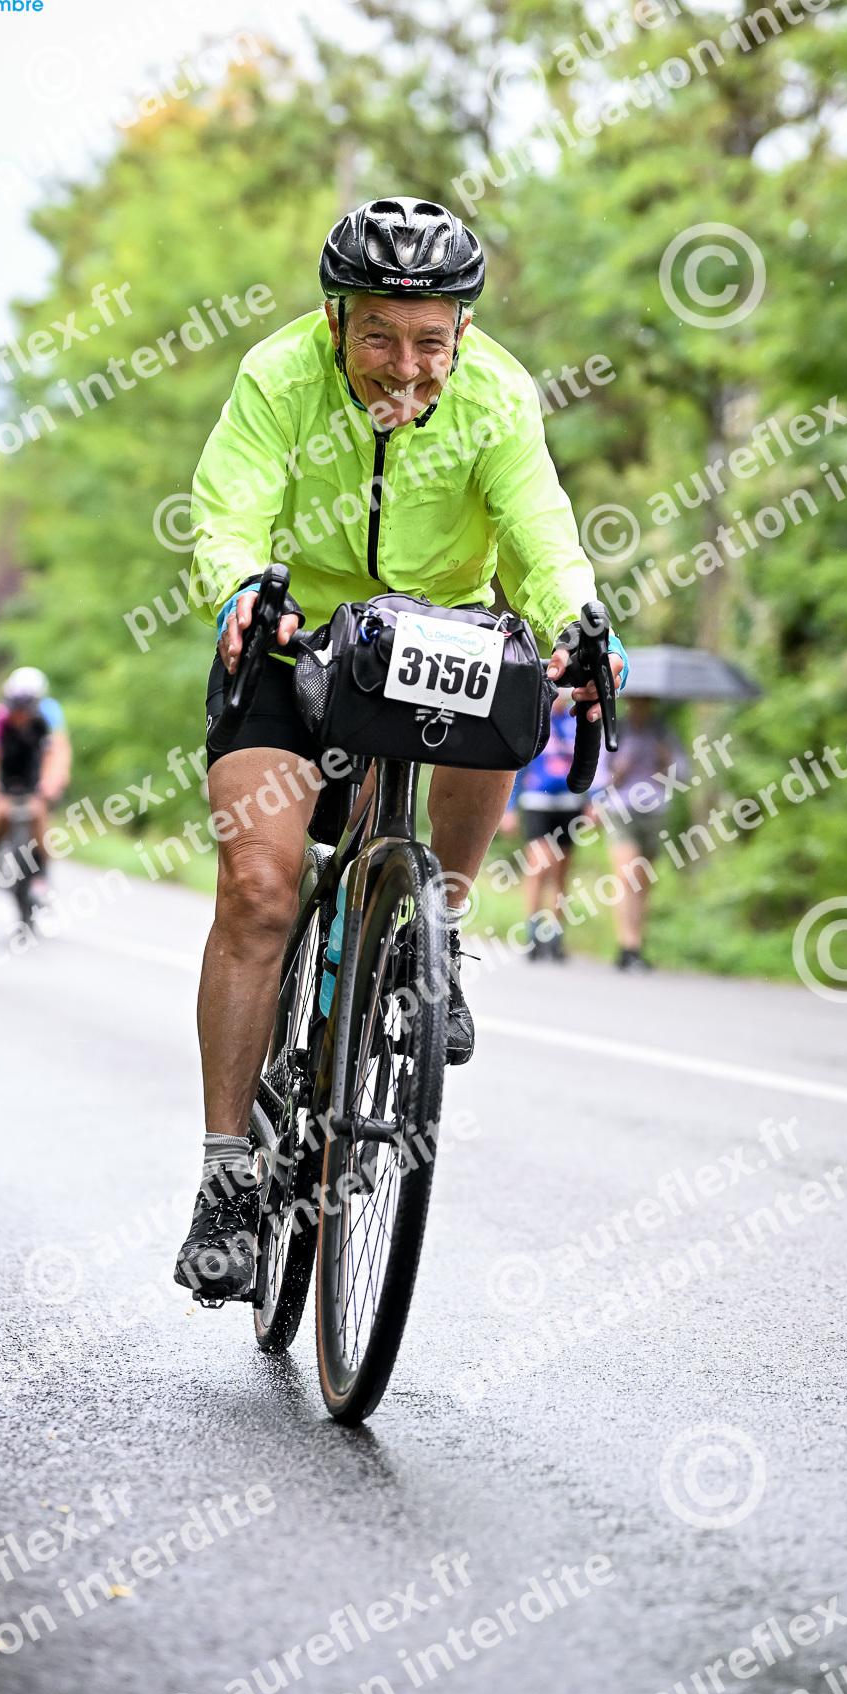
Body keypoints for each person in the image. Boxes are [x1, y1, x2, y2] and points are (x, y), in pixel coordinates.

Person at [174, 194, 628, 1301]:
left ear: (464, 329)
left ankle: (437, 931)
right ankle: (226, 1176)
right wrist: (239, 589)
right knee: (261, 891)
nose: (406, 367)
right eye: (378, 335)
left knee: (514, 683)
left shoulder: (497, 395)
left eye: (431, 339)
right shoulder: (279, 376)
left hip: (439, 634)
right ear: (336, 320)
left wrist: (578, 619)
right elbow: (227, 510)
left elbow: (540, 532)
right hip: (296, 635)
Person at [501, 693, 593, 960]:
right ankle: (532, 932)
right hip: (537, 801)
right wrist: (509, 808)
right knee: (538, 865)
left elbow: (591, 763)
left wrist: (594, 800)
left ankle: (554, 936)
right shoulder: (536, 721)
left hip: (570, 802)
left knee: (561, 871)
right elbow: (519, 767)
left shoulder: (577, 722)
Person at [599, 696, 688, 971]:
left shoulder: (662, 732)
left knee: (643, 881)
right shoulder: (616, 730)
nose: (640, 706)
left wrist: (666, 759)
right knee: (627, 875)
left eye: (645, 702)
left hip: (654, 811)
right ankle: (626, 945)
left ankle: (637, 944)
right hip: (620, 810)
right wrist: (618, 772)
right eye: (636, 701)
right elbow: (598, 776)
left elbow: (683, 774)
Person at [0, 668, 71, 900]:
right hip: (7, 772)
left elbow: (57, 752)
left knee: (38, 815)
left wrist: (52, 782)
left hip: (35, 773)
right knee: (0, 813)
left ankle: (42, 874)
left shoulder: (49, 714)